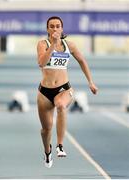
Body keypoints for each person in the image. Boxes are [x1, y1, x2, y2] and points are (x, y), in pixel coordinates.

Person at [37, 16, 98, 168]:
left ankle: (60, 145)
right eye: (51, 26)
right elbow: (41, 63)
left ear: (62, 28)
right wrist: (53, 45)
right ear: (47, 29)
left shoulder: (69, 45)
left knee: (60, 105)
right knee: (46, 129)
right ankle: (47, 152)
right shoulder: (42, 44)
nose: (55, 29)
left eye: (58, 26)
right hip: (44, 92)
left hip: (64, 88)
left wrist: (90, 82)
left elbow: (83, 61)